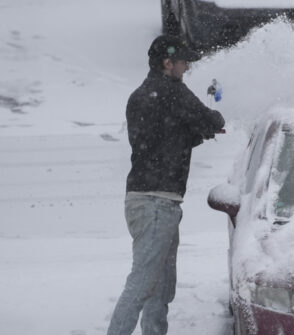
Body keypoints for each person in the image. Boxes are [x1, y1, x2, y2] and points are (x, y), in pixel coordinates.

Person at [107, 35, 225, 335]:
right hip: (156, 204)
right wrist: (214, 121)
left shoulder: (140, 95)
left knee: (159, 288)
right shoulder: (172, 91)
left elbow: (161, 142)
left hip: (147, 200)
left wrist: (198, 134)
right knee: (143, 284)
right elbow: (207, 118)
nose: (187, 66)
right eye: (183, 61)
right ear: (167, 62)